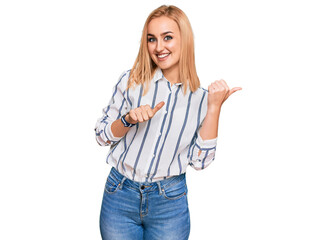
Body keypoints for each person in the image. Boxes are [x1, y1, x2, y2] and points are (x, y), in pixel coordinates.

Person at [94, 5, 242, 240]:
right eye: (152, 39)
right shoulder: (131, 81)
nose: (159, 47)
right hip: (120, 196)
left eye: (168, 38)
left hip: (169, 203)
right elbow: (101, 136)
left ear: (185, 40)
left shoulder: (202, 99)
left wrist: (214, 108)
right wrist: (128, 119)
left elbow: (200, 162)